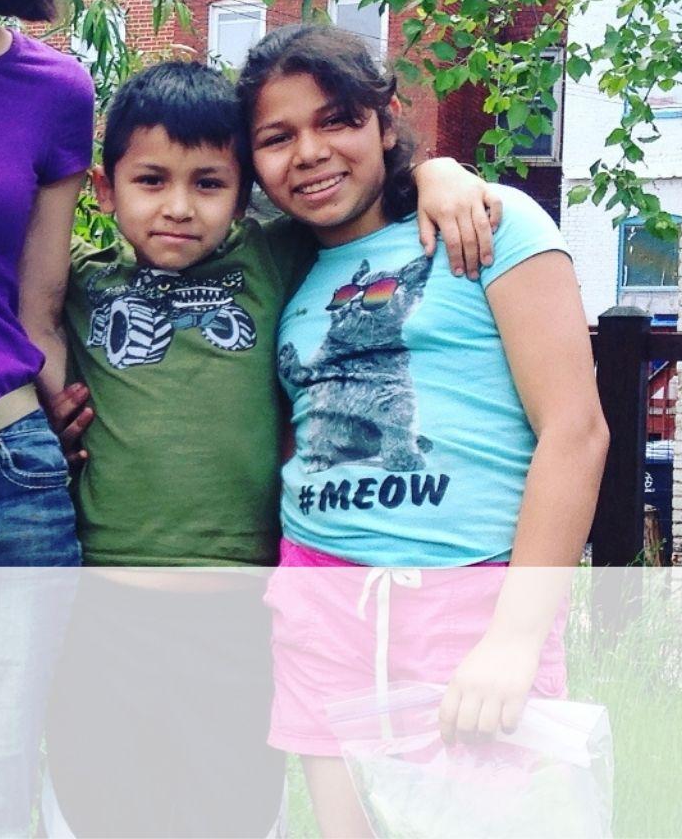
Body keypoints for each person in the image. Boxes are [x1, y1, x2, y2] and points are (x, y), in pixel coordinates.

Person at [43, 59, 500, 836]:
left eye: (210, 184)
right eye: (151, 181)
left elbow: (367, 202)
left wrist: (441, 173)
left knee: (234, 812)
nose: (179, 208)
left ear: (246, 191)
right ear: (103, 188)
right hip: (103, 616)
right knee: (97, 810)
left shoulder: (274, 257)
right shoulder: (79, 282)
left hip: (247, 620)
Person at [239, 23, 607, 837]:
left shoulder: (489, 225)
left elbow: (575, 432)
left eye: (335, 119)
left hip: (468, 598)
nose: (309, 151)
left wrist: (516, 636)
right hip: (320, 596)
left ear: (386, 119)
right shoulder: (283, 266)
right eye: (277, 136)